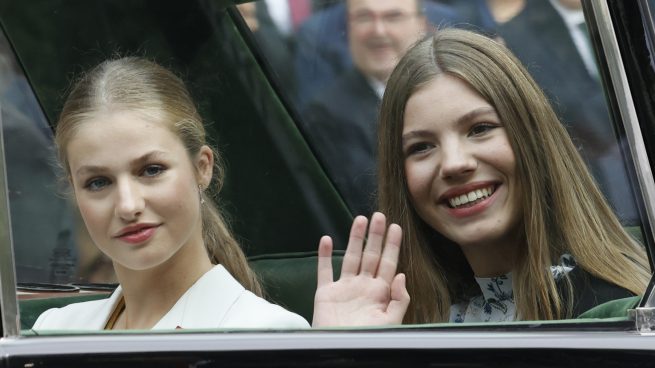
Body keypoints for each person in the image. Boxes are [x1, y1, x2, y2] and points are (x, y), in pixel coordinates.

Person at [312, 28, 650, 326]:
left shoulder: (625, 315)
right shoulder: (397, 322)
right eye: (421, 147)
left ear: (534, 140)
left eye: (480, 129)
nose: (454, 163)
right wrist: (340, 352)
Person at [32, 57, 309, 330]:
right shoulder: (53, 328)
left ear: (202, 168)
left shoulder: (267, 333)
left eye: (151, 170)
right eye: (98, 182)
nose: (128, 206)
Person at [301, 0, 430, 217]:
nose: (378, 31)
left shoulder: (442, 93)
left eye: (393, 16)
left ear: (421, 24)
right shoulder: (324, 115)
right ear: (347, 26)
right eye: (364, 17)